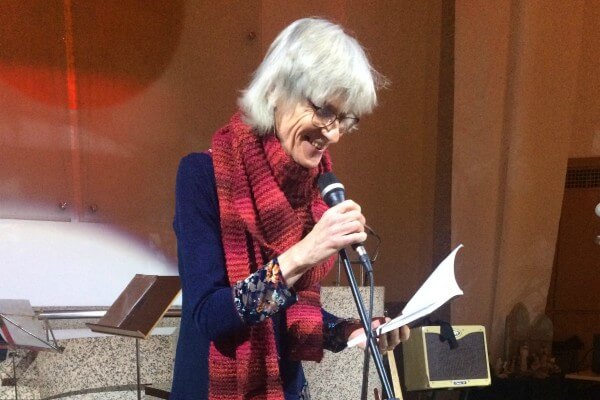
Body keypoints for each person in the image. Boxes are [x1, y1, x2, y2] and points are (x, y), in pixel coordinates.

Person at [170, 17, 409, 400]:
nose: (332, 133)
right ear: (278, 89)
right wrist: (308, 251)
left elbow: (285, 311)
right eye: (324, 110)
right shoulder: (202, 176)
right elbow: (208, 315)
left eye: (345, 119)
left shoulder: (312, 188)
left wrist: (351, 330)